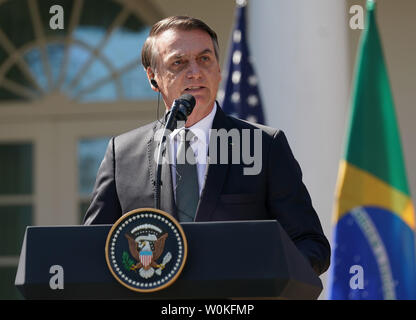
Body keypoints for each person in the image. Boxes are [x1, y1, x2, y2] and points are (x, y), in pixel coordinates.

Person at [83, 16, 330, 276]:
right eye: (178, 62)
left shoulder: (264, 146)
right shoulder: (122, 155)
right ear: (153, 77)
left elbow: (310, 244)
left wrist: (267, 277)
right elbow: (91, 248)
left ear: (218, 70)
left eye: (204, 59)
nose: (195, 72)